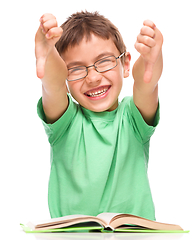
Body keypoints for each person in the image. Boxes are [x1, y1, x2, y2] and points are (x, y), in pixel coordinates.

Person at [35, 11, 163, 220]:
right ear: (65, 77)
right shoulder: (64, 123)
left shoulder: (132, 117)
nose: (93, 77)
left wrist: (152, 59)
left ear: (126, 64)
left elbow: (146, 84)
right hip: (72, 237)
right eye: (75, 69)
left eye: (104, 61)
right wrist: (47, 53)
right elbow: (53, 84)